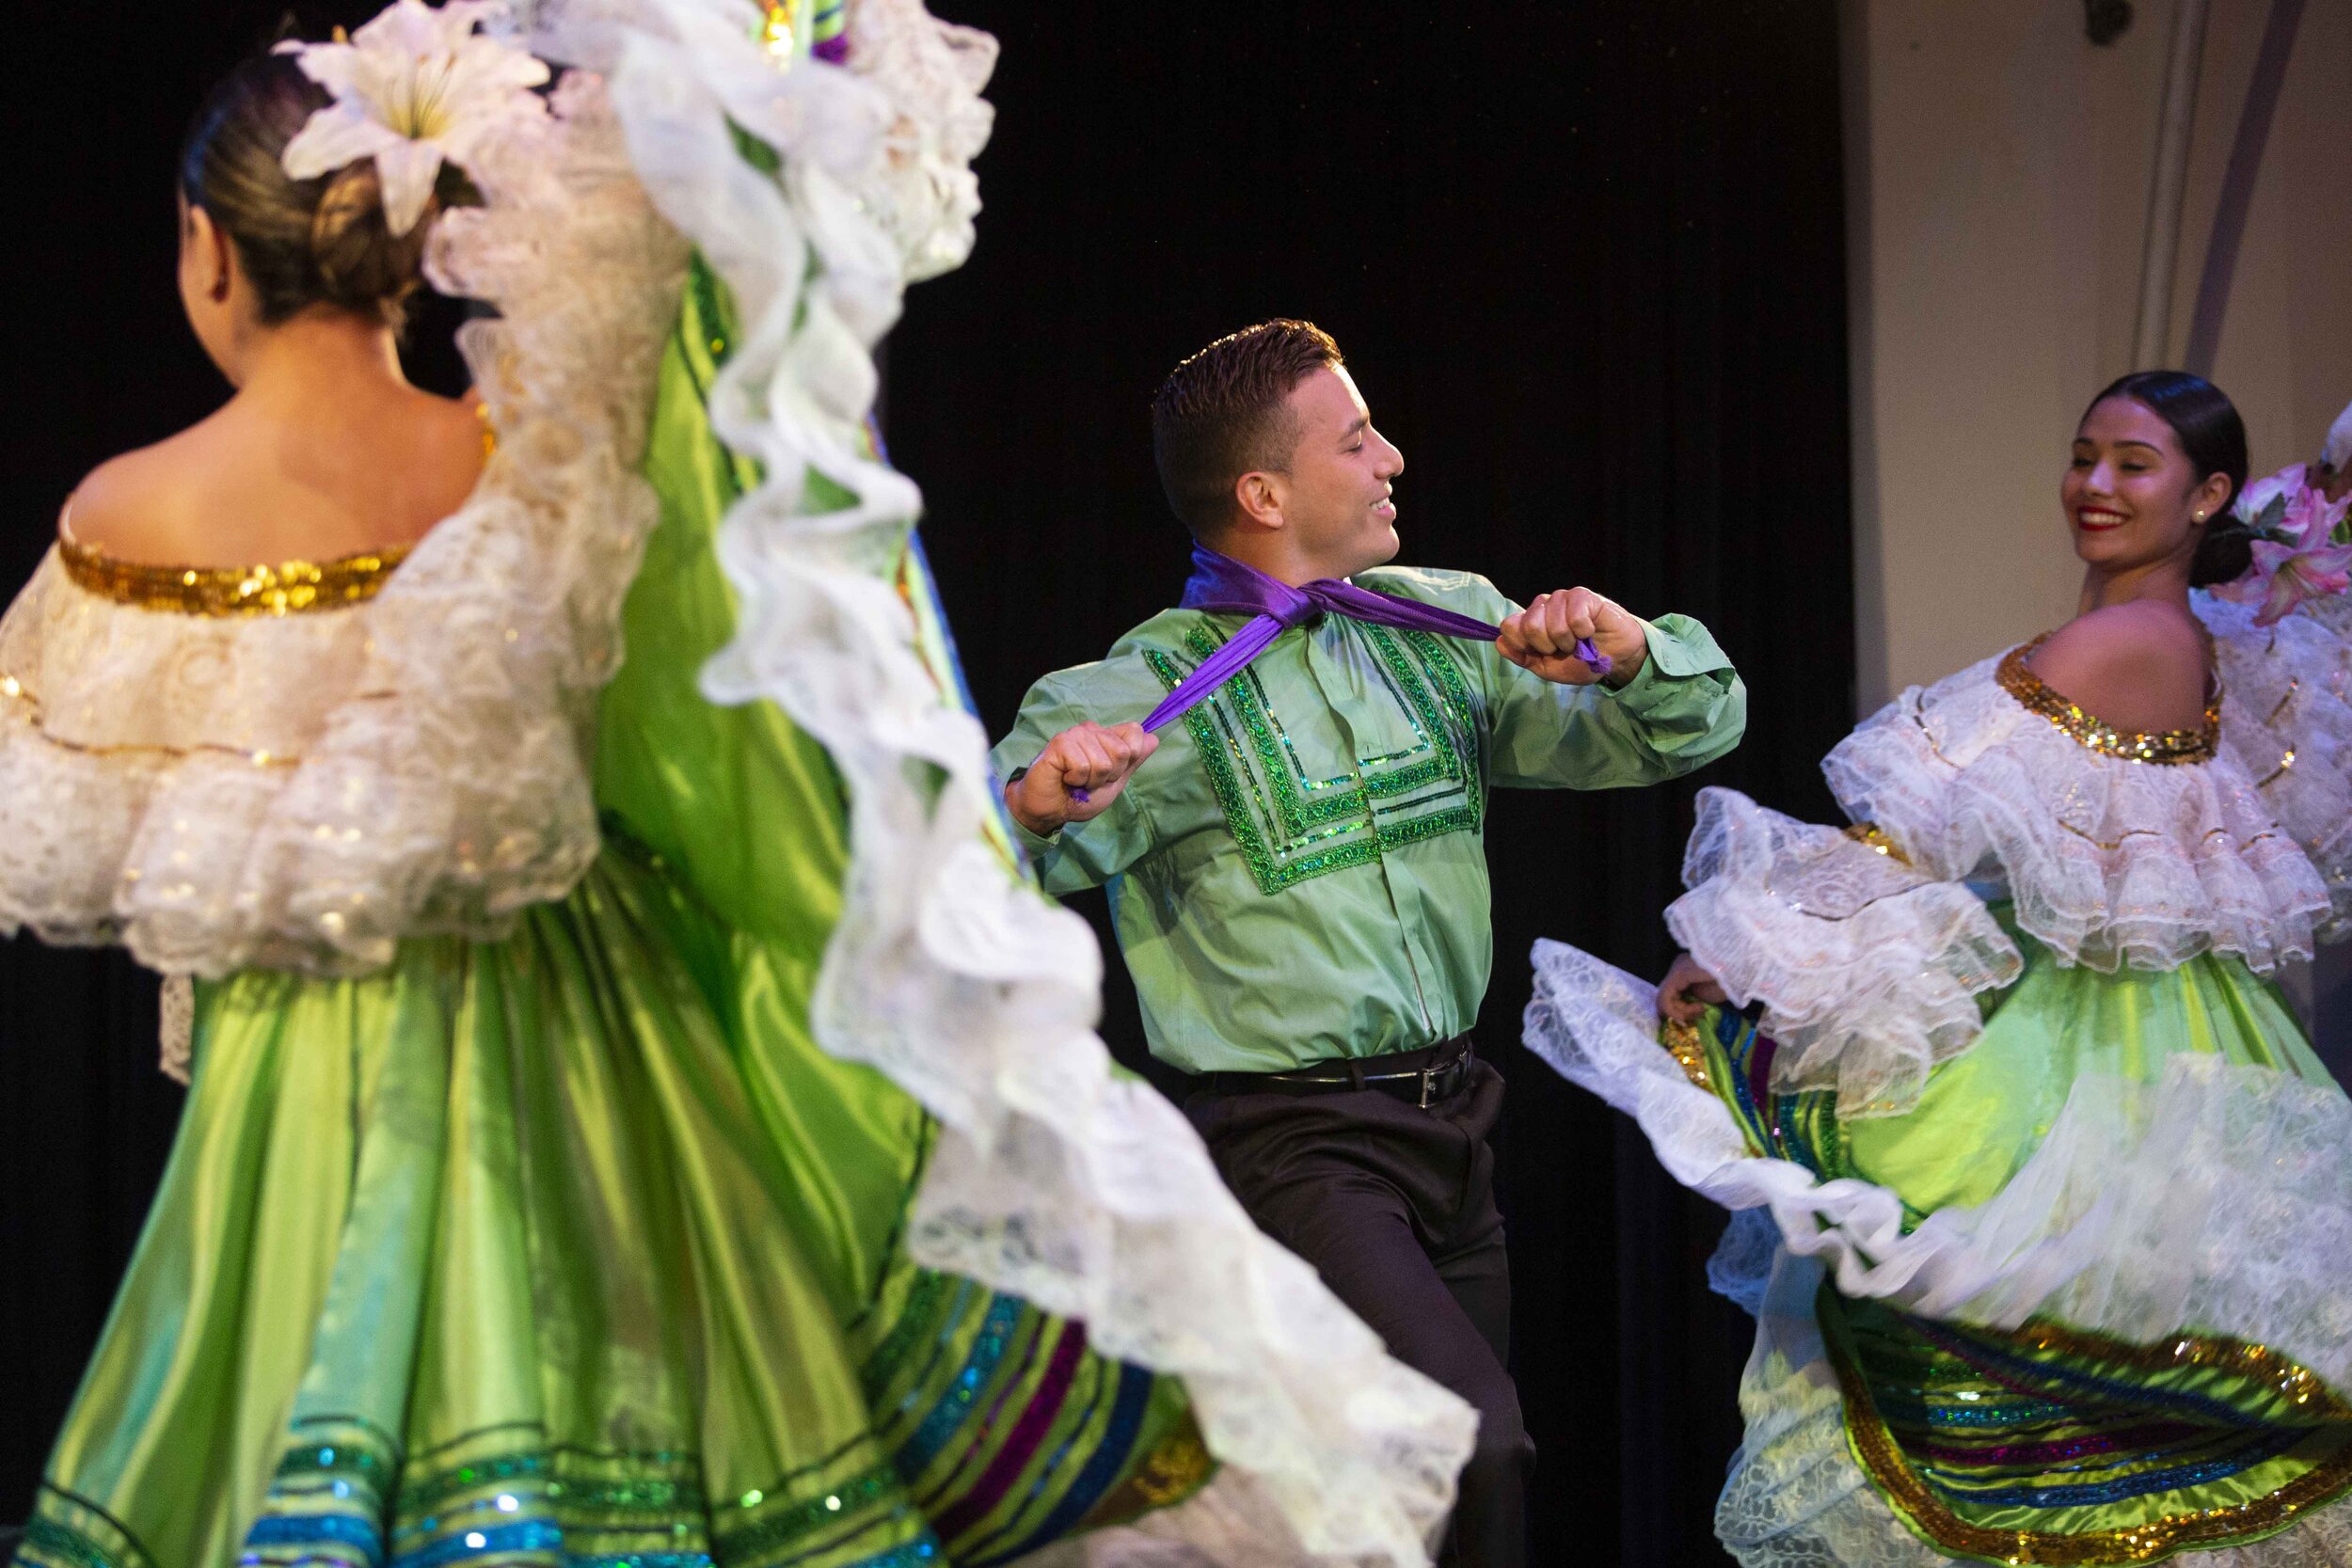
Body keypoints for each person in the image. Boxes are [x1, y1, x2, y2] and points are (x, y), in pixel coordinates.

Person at [2, 9, 1477, 1568]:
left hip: (301, 1064)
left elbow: (80, 821)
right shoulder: (528, 459)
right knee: (660, 1395)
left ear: (208, 249)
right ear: (416, 244)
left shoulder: (132, 505)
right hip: (584, 1027)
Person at [1525, 370, 2352, 1565]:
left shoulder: (2115, 638)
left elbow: (1911, 836)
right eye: (2084, 455)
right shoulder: (2201, 637)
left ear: (2209, 492)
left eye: (2134, 463)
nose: (2095, 485)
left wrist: (1732, 951)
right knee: (2121, 1381)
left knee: (2001, 1310)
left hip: (2092, 1052)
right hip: (2171, 1040)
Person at [991, 318, 1749, 1567]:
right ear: (1264, 491)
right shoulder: (1149, 687)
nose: (1392, 455)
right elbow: (978, 854)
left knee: (1373, 1512)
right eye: (1357, 438)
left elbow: (1686, 729)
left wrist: (1630, 656)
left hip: (1454, 1125)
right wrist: (1031, 803)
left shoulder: (1439, 629)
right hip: (1292, 1146)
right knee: (1469, 1446)